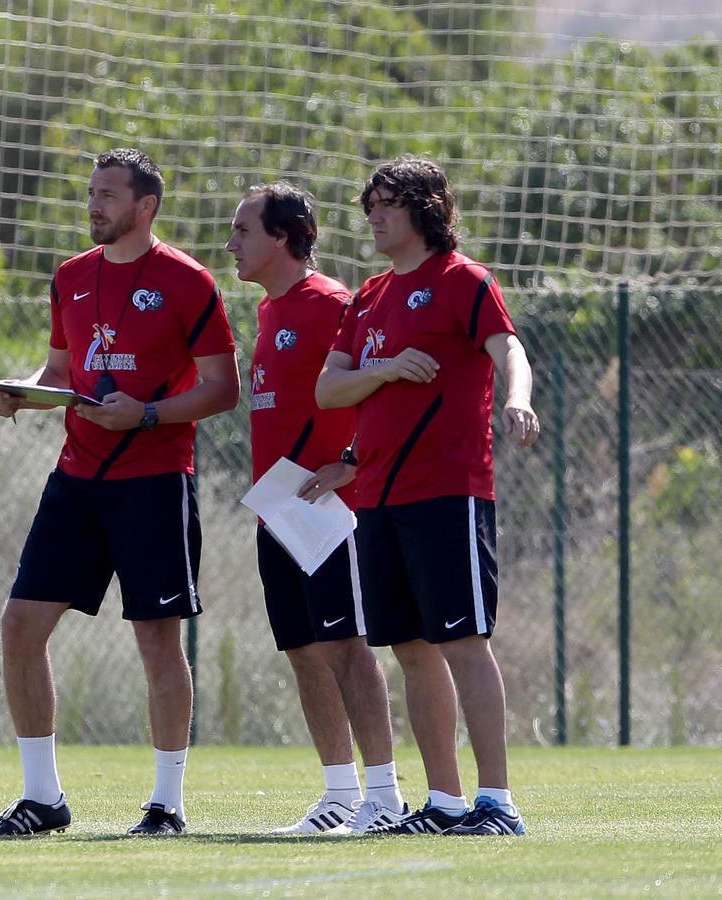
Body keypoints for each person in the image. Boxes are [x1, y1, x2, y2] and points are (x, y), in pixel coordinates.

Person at [0, 148, 239, 837]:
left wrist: (146, 414)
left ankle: (165, 805)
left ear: (144, 206)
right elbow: (62, 367)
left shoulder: (188, 281)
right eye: (90, 193)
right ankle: (41, 799)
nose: (94, 205)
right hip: (77, 476)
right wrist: (24, 395)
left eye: (108, 195)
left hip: (153, 482)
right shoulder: (70, 276)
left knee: (157, 640)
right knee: (19, 626)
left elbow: (221, 387)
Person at [315, 156, 541, 836]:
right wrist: (381, 369)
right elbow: (329, 390)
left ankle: (496, 802)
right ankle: (442, 802)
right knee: (411, 650)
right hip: (377, 498)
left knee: (464, 642)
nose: (373, 217)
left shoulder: (462, 280)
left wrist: (518, 399)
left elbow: (509, 348)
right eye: (369, 207)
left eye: (385, 204)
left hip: (447, 492)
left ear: (423, 208)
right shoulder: (368, 295)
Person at [223, 181, 407, 835]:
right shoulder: (269, 312)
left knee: (346, 648)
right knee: (304, 649)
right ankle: (338, 794)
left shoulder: (331, 302)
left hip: (333, 509)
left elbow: (382, 389)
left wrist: (352, 461)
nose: (231, 244)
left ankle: (384, 797)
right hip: (280, 509)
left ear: (281, 237)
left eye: (243, 230)